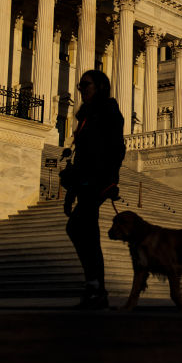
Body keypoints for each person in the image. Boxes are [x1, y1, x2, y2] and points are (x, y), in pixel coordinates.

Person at [64, 69, 125, 309]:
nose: (82, 89)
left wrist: (111, 181)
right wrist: (70, 192)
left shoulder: (109, 110)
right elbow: (81, 156)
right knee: (83, 231)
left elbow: (117, 149)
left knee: (80, 228)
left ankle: (96, 285)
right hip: (84, 180)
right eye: (80, 86)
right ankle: (95, 285)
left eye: (86, 85)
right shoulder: (86, 115)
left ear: (100, 86)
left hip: (97, 181)